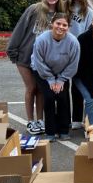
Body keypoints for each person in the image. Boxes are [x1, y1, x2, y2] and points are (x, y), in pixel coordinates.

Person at [7, 0, 64, 135]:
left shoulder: (59, 14)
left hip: (43, 61)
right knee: (31, 88)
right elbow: (20, 28)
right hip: (25, 57)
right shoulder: (35, 9)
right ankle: (31, 121)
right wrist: (12, 50)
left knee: (40, 90)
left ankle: (40, 120)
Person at [30, 13, 80, 141]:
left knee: (63, 97)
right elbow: (38, 62)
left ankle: (63, 130)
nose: (61, 27)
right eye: (58, 23)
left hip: (63, 72)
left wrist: (62, 79)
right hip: (43, 72)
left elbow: (73, 64)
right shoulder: (41, 39)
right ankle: (50, 132)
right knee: (49, 97)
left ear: (68, 27)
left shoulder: (73, 42)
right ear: (52, 23)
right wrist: (51, 79)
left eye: (64, 25)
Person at [65, 0, 93, 130]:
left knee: (85, 83)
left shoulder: (88, 10)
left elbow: (90, 31)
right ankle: (76, 118)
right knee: (74, 84)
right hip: (68, 49)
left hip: (83, 50)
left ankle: (88, 117)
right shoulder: (65, 7)